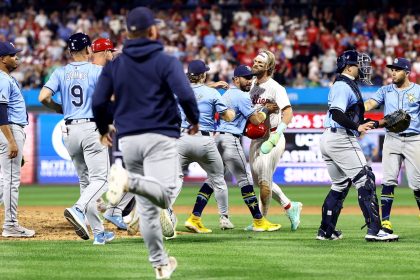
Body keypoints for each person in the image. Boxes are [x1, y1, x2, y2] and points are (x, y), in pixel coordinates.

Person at [91, 7, 199, 279]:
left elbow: (98, 101)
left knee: (148, 210)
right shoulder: (166, 61)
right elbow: (185, 94)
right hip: (160, 136)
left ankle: (161, 265)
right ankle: (129, 182)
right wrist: (194, 119)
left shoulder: (116, 64)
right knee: (164, 193)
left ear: (128, 32)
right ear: (152, 31)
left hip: (127, 139)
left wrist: (103, 128)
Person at [39, 33, 114, 245]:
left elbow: (42, 97)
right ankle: (78, 209)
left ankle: (98, 232)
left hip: (69, 130)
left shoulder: (60, 72)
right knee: (102, 180)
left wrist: (58, 108)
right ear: (89, 49)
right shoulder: (97, 71)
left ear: (70, 51)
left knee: (86, 182)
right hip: (91, 128)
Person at [316, 50, 398, 242]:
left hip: (330, 137)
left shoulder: (344, 84)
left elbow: (350, 116)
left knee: (340, 184)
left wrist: (375, 123)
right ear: (349, 66)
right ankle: (375, 230)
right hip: (341, 138)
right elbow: (337, 113)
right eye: (358, 64)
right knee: (366, 180)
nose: (361, 68)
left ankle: (326, 231)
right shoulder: (343, 85)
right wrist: (357, 126)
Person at [190, 65, 281, 232]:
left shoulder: (225, 94)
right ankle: (259, 221)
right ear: (236, 79)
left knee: (212, 180)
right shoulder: (241, 96)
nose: (250, 81)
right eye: (246, 78)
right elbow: (255, 121)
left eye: (251, 77)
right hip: (230, 140)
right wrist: (266, 110)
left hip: (217, 139)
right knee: (245, 180)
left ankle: (195, 217)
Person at [248, 49, 302, 231]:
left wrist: (278, 133)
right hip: (256, 138)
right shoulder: (251, 85)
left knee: (264, 182)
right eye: (255, 61)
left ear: (268, 67)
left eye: (260, 63)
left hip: (272, 136)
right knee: (259, 182)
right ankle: (290, 206)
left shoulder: (276, 88)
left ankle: (261, 220)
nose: (255, 64)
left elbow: (288, 112)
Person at [364, 57, 420, 234]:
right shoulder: (385, 90)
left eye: (398, 69)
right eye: (392, 69)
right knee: (388, 180)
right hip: (392, 138)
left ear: (407, 72)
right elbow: (370, 104)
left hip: (414, 139)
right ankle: (386, 222)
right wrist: (357, 108)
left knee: (417, 184)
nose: (393, 72)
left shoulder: (418, 91)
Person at [181, 59, 236, 233]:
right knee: (218, 179)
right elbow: (227, 116)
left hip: (181, 139)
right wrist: (233, 111)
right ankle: (224, 218)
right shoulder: (212, 94)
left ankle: (166, 213)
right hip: (204, 141)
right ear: (203, 75)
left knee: (173, 180)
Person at [91, 37, 132, 231]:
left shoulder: (95, 70)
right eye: (110, 52)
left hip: (99, 126)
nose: (113, 54)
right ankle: (113, 209)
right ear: (106, 52)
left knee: (114, 170)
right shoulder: (108, 71)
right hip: (118, 126)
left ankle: (108, 207)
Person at [0, 41, 34, 238]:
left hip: (9, 131)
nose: (16, 58)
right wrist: (11, 141)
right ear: (2, 59)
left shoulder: (6, 78)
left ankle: (11, 223)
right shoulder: (3, 79)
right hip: (10, 130)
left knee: (5, 179)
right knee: (11, 180)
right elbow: (0, 110)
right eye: (12, 55)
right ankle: (11, 225)